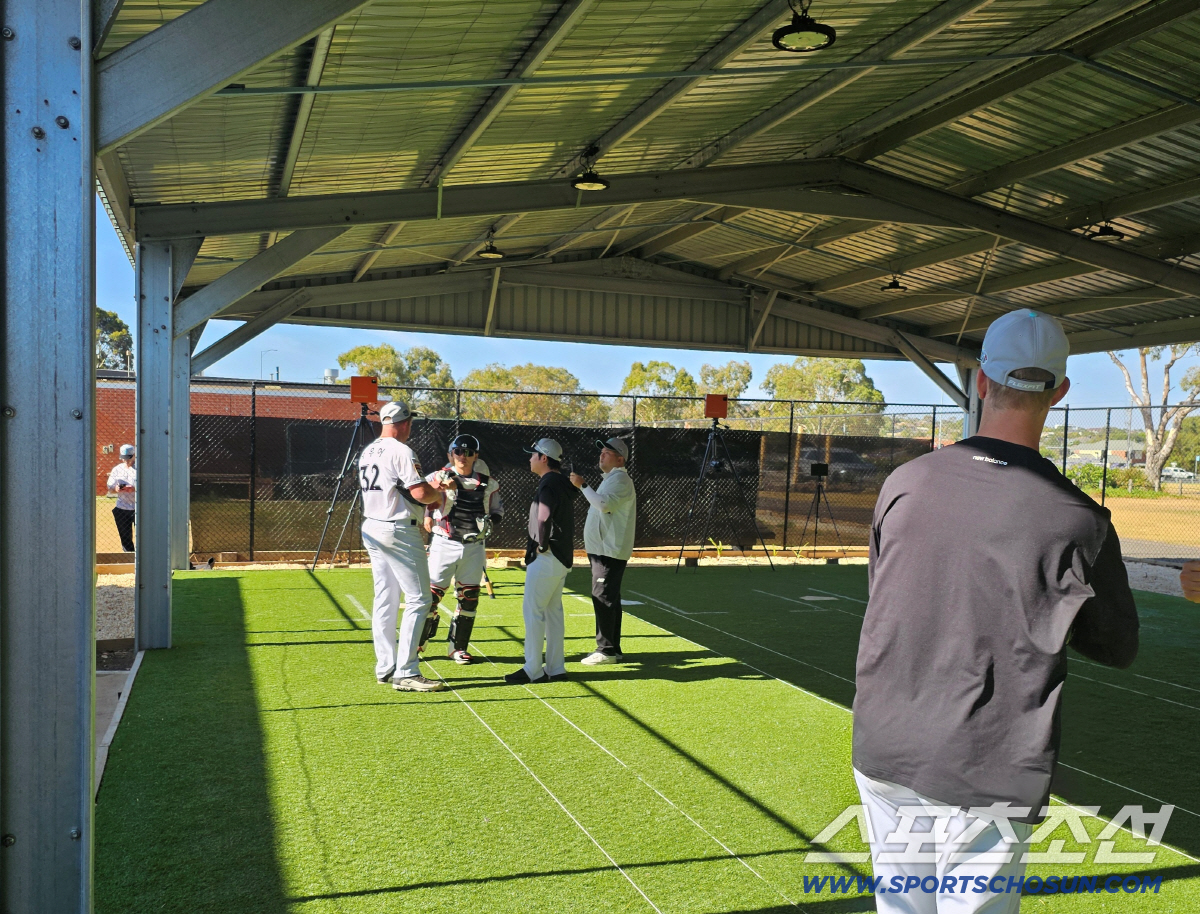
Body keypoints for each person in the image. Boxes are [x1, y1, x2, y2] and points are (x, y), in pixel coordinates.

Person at [853, 309, 1139, 913]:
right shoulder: (1080, 519)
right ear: (1059, 393)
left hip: (886, 743)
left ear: (982, 381)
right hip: (989, 763)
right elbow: (1117, 645)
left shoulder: (905, 482)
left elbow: (886, 585)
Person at [358, 400, 446, 693]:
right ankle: (406, 670)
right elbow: (421, 493)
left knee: (385, 598)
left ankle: (386, 666)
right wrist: (441, 492)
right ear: (404, 423)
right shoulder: (402, 450)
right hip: (396, 528)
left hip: (372, 525)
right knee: (420, 599)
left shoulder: (368, 450)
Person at [419, 433, 504, 664]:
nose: (462, 457)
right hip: (444, 543)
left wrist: (489, 524)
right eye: (458, 452)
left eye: (468, 452)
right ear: (450, 454)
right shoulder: (439, 477)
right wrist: (435, 498)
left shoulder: (489, 483)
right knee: (432, 596)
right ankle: (418, 644)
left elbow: (496, 511)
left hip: (474, 546)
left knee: (469, 597)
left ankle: (457, 648)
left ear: (476, 455)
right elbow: (420, 494)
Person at [505, 438, 575, 684]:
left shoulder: (549, 483)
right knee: (553, 613)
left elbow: (544, 518)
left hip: (548, 557)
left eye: (533, 455)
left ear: (544, 458)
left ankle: (533, 669)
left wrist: (542, 546)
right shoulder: (560, 482)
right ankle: (556, 668)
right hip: (561, 557)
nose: (530, 459)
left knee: (534, 613)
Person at [570, 437, 636, 664]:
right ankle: (612, 649)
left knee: (603, 596)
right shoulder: (612, 479)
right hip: (605, 550)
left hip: (609, 550)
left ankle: (606, 650)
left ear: (620, 459)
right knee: (609, 597)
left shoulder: (619, 479)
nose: (602, 455)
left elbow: (604, 505)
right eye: (602, 452)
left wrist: (583, 485)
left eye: (608, 452)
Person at [106, 444, 137, 552]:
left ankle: (142, 561)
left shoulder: (140, 469)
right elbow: (110, 487)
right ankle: (129, 559)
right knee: (125, 538)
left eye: (128, 458)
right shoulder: (117, 469)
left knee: (143, 537)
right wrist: (116, 488)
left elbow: (149, 487)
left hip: (138, 508)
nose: (126, 461)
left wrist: (134, 488)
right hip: (122, 508)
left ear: (134, 455)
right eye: (124, 458)